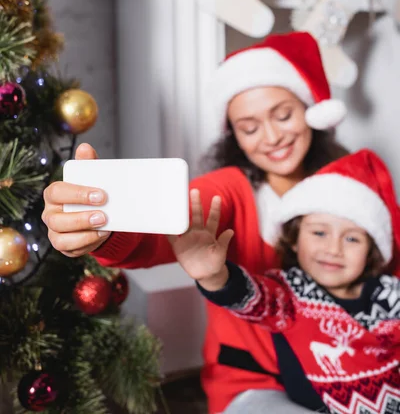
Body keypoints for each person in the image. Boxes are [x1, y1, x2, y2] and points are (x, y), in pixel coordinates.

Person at [42, 31, 349, 414]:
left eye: (283, 115)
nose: (271, 137)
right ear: (234, 136)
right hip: (254, 386)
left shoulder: (354, 186)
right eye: (250, 127)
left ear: (310, 110)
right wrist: (102, 231)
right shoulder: (228, 192)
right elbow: (157, 231)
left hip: (351, 374)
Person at [170, 149, 400, 414]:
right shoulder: (289, 295)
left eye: (352, 239)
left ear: (371, 250)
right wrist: (213, 276)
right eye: (319, 233)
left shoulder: (389, 295)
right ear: (293, 237)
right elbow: (250, 296)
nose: (333, 249)